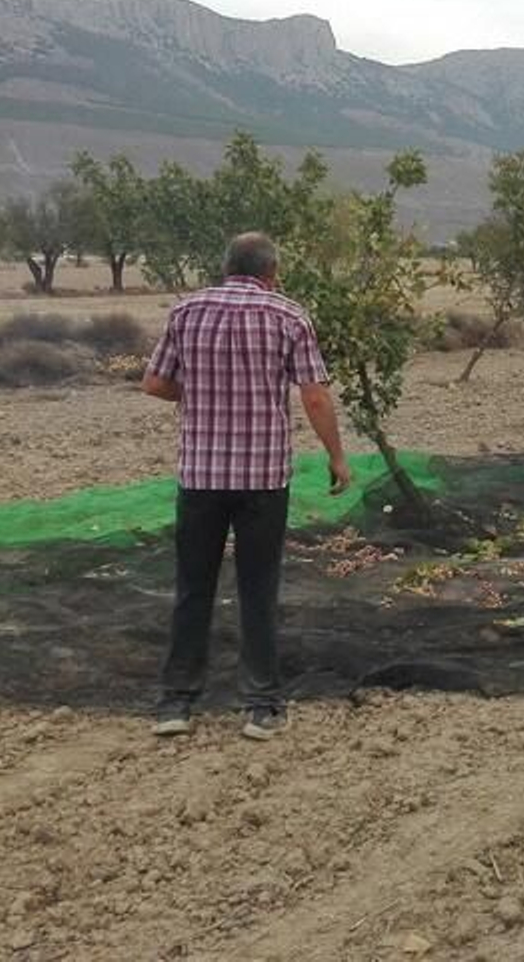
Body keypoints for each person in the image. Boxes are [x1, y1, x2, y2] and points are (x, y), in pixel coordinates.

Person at [141, 231, 351, 741]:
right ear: (270, 272)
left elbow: (154, 383)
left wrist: (204, 396)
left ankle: (176, 703)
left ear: (227, 267)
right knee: (258, 589)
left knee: (193, 587)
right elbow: (315, 397)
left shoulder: (185, 313)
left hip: (201, 476)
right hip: (262, 478)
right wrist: (337, 457)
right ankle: (261, 706)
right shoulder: (288, 316)